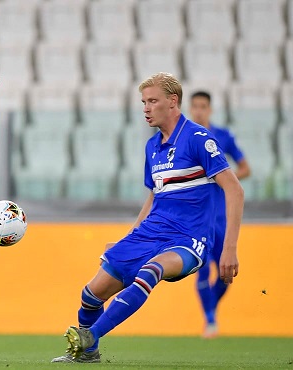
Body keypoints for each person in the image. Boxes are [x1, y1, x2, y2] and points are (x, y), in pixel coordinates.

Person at [51, 73, 244, 363]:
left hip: (189, 238)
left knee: (150, 271)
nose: (146, 108)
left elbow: (235, 190)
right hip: (150, 232)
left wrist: (229, 249)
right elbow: (153, 197)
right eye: (143, 102)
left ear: (173, 102)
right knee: (91, 294)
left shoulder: (198, 139)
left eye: (152, 101)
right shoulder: (152, 147)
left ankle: (90, 337)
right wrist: (130, 237)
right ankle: (88, 354)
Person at [189, 91, 251, 338]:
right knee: (201, 268)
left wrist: (224, 178)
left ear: (210, 109)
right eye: (195, 106)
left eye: (203, 106)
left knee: (225, 273)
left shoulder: (223, 137)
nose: (199, 111)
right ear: (190, 109)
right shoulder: (184, 138)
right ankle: (210, 319)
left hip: (221, 216)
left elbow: (245, 168)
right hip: (198, 216)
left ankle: (211, 308)